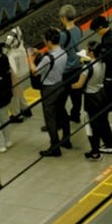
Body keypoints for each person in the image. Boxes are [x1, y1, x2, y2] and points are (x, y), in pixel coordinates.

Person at [29, 28, 70, 157]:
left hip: (49, 89)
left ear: (49, 42)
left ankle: (55, 147)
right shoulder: (63, 52)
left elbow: (35, 71)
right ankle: (66, 139)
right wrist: (40, 54)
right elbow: (51, 60)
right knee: (62, 112)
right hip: (60, 85)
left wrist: (30, 59)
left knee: (50, 118)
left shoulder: (47, 58)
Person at [71, 42, 112, 160]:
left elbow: (79, 85)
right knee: (103, 121)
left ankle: (95, 152)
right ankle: (109, 145)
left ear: (92, 53)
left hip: (91, 97)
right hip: (102, 94)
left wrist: (69, 86)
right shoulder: (103, 62)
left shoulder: (87, 68)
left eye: (88, 50)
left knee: (91, 124)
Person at [89, 16, 112, 129]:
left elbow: (110, 58)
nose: (97, 33)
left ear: (100, 27)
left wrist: (99, 57)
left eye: (96, 30)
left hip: (111, 74)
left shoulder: (108, 40)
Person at [58, 4, 84, 124]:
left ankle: (59, 121)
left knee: (60, 97)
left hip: (66, 69)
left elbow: (58, 48)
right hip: (77, 66)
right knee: (76, 95)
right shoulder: (78, 29)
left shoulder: (63, 35)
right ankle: (75, 115)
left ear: (63, 18)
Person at [3, 28, 32, 123]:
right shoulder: (17, 28)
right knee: (18, 87)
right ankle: (25, 108)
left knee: (13, 89)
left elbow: (4, 50)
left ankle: (16, 114)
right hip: (19, 58)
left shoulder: (10, 32)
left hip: (12, 62)